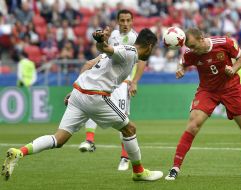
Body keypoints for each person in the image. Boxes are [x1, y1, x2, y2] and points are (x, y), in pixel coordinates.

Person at [1, 27, 163, 182]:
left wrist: (74, 91)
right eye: (154, 48)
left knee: (59, 139)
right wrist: (100, 41)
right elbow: (105, 48)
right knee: (130, 129)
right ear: (149, 46)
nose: (153, 52)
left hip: (79, 92)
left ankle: (19, 152)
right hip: (95, 97)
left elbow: (88, 65)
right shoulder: (129, 52)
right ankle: (139, 172)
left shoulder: (123, 51)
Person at [165, 28, 241, 181]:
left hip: (231, 89)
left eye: (193, 46)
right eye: (189, 47)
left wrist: (233, 69)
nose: (191, 50)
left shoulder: (224, 43)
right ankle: (175, 167)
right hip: (207, 91)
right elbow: (183, 63)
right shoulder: (190, 53)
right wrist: (180, 69)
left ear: (202, 38)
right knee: (193, 125)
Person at [77, 9, 146, 171]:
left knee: (123, 118)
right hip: (106, 80)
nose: (125, 24)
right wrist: (103, 41)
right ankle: (89, 140)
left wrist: (134, 82)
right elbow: (104, 53)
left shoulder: (136, 38)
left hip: (123, 83)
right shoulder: (113, 35)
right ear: (118, 21)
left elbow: (142, 62)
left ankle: (124, 157)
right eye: (122, 20)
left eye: (128, 20)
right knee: (93, 106)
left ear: (132, 21)